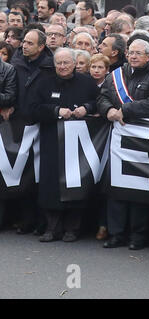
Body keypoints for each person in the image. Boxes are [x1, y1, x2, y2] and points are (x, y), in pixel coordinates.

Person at [97, 39, 149, 250]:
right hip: (119, 137)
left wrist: (125, 110)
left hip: (142, 138)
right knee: (116, 187)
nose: (133, 56)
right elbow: (103, 97)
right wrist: (108, 110)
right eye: (131, 52)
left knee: (139, 189)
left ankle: (138, 235)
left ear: (147, 56)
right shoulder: (117, 74)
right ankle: (117, 233)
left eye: (138, 53)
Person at [30, 47, 98, 242]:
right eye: (58, 63)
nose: (62, 66)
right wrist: (56, 111)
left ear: (75, 64)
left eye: (66, 62)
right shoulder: (44, 83)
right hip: (52, 141)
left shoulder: (87, 83)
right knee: (51, 185)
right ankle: (52, 228)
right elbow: (34, 109)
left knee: (76, 184)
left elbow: (97, 101)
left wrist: (87, 108)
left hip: (78, 142)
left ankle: (72, 228)